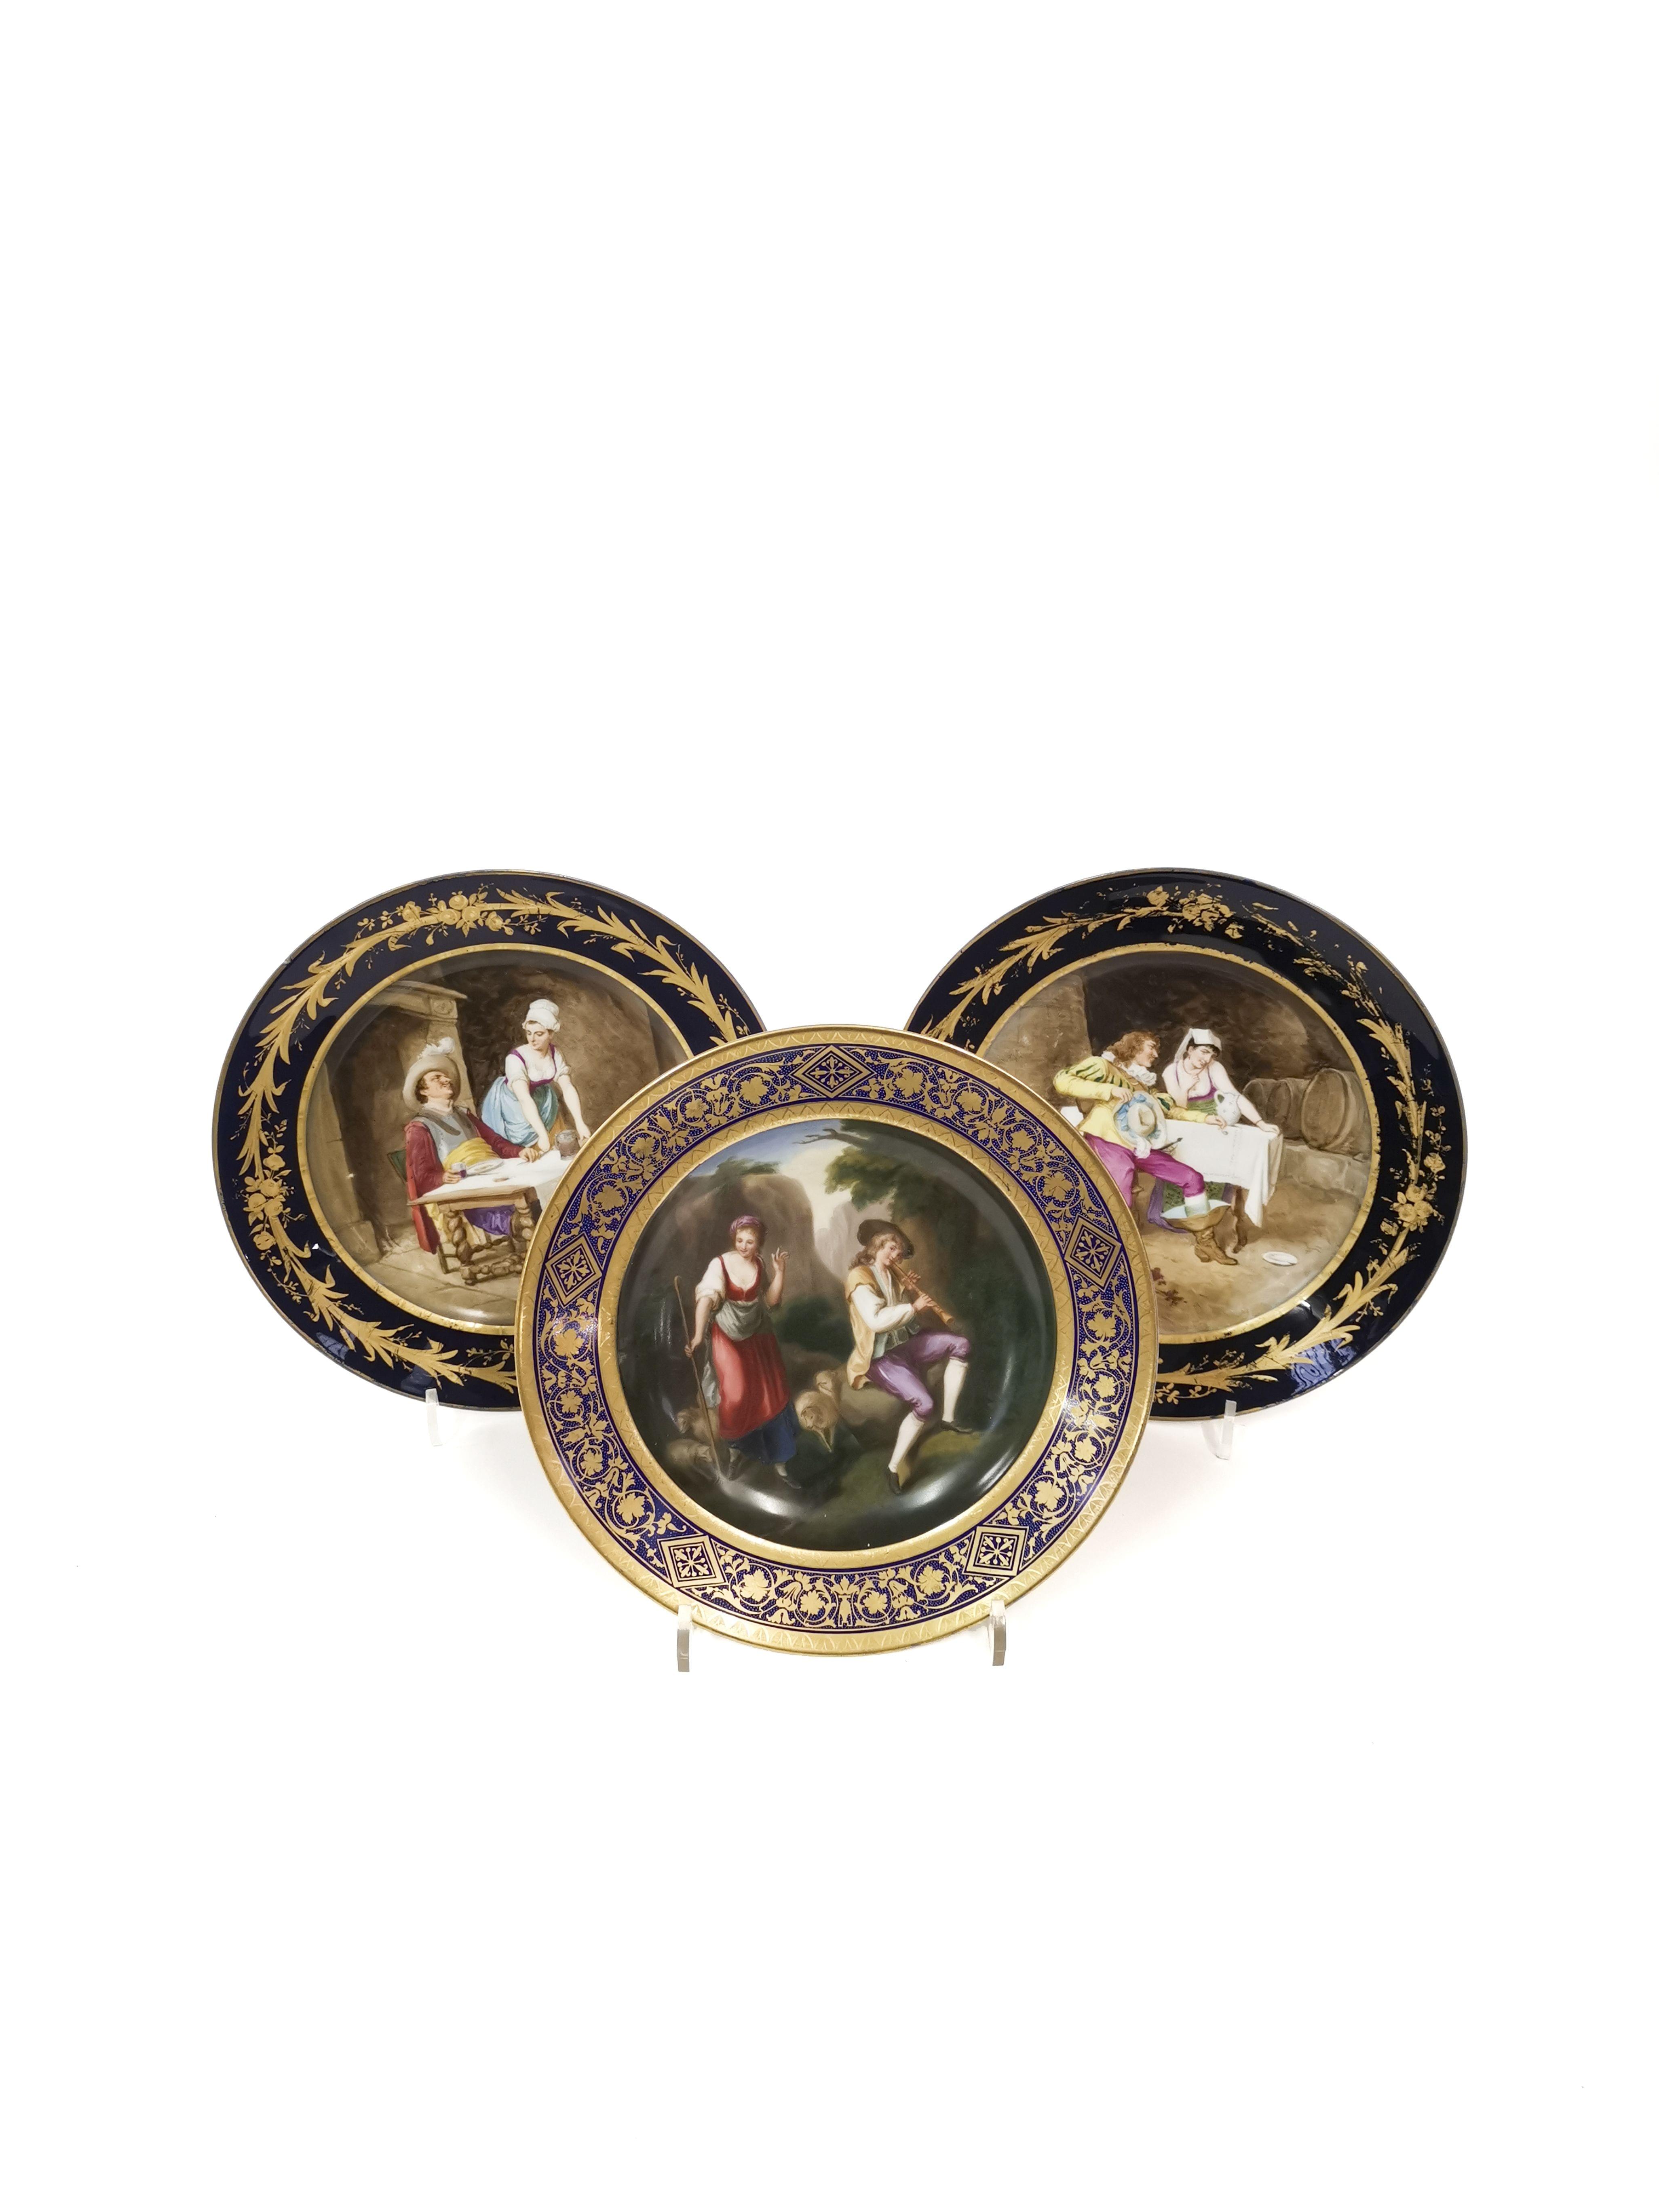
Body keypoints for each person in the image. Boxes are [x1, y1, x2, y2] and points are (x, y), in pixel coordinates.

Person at [1052, 1030, 1236, 1266]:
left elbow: (1170, 1110)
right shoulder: (1103, 1066)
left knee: (1191, 1178)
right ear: (1134, 1047)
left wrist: (1205, 1118)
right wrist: (1109, 1090)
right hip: (1108, 1139)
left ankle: (1205, 1242)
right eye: (1151, 1048)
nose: (1156, 1054)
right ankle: (1111, 1252)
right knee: (1121, 1189)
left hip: (1139, 1145)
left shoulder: (1143, 1085)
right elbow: (1062, 1081)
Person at [844, 1220, 973, 1489]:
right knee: (924, 1405)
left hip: (903, 1346)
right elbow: (877, 1321)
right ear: (877, 1246)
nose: (896, 1256)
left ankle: (948, 1420)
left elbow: (897, 1316)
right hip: (880, 1358)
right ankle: (893, 1469)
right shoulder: (859, 1277)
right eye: (891, 1249)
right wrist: (914, 1308)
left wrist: (904, 1292)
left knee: (960, 1345)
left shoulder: (890, 1276)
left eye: (899, 1252)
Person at [401, 1039, 536, 1273]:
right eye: (436, 1078)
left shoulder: (464, 1114)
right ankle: (523, 1232)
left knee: (534, 1193)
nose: (446, 1079)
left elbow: (494, 1142)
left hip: (493, 1172)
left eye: (446, 1076)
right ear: (424, 1091)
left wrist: (519, 1151)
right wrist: (443, 1177)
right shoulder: (419, 1128)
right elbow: (423, 1176)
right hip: (465, 1190)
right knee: (516, 1213)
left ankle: (535, 1231)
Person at [686, 1216, 801, 1479]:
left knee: (769, 1395)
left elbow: (771, 1302)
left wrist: (780, 1272)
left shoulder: (760, 1263)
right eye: (740, 1240)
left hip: (758, 1333)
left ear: (759, 1243)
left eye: (750, 1242)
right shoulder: (720, 1264)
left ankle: (780, 1459)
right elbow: (706, 1299)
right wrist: (698, 1336)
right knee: (735, 1397)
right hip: (727, 1334)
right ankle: (736, 1451)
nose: (744, 1246)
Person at [1161, 1028, 1278, 1247]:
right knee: (1185, 1168)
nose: (1207, 1059)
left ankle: (1210, 1219)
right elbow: (1179, 1108)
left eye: (1212, 1055)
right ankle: (1186, 1221)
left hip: (1213, 1124)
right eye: (1204, 1052)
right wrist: (1186, 1088)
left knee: (1216, 1167)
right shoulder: (1171, 1071)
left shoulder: (1214, 1068)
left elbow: (1235, 1097)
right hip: (1185, 1125)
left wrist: (1260, 1123)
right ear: (1190, 1050)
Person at [479, 999, 591, 1157]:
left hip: (542, 1101)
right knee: (535, 1152)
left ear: (551, 1034)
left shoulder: (555, 1054)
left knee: (558, 1149)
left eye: (539, 1034)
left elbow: (567, 1088)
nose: (532, 1039)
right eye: (529, 1033)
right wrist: (542, 1134)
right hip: (514, 1106)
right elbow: (524, 1099)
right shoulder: (515, 1058)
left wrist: (580, 1122)